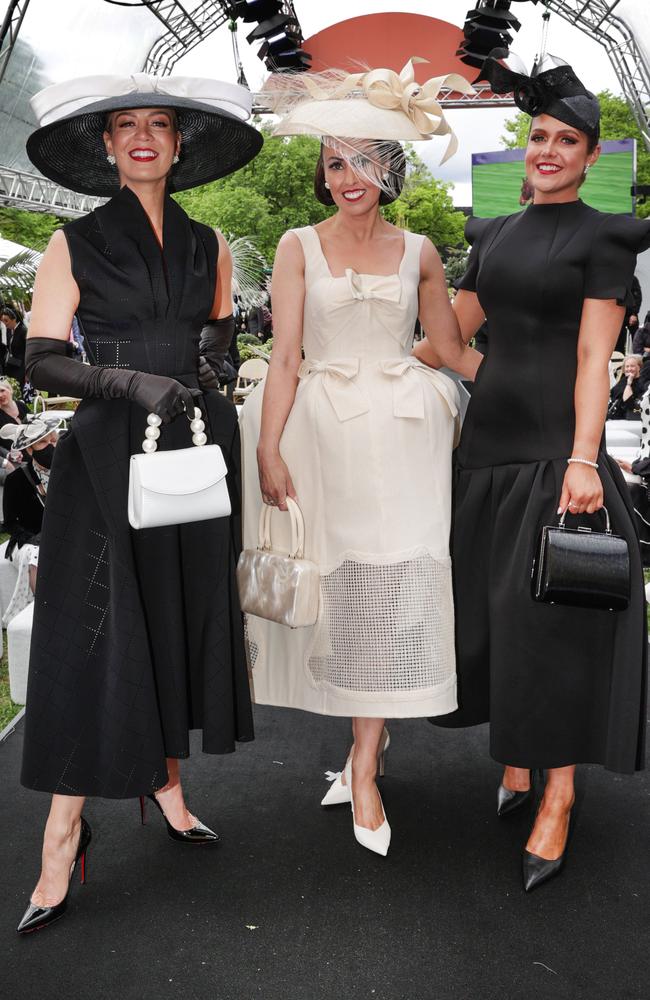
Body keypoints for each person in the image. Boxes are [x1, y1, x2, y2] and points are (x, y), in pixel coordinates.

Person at [15, 71, 262, 934]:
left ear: (179, 143)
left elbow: (224, 344)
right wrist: (126, 379)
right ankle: (61, 837)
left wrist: (210, 370)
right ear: (110, 147)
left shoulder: (212, 243)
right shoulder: (71, 241)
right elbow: (42, 361)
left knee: (174, 618)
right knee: (97, 633)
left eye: (160, 124)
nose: (146, 136)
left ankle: (167, 786)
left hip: (194, 452)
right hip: (107, 458)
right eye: (129, 126)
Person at [418, 54, 648, 892]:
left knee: (549, 627)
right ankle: (518, 760)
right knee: (493, 616)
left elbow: (594, 354)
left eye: (566, 140)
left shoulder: (604, 233)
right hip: (485, 452)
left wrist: (585, 460)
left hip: (559, 453)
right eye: (538, 137)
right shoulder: (496, 232)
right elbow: (450, 341)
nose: (547, 150)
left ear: (592, 156)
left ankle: (558, 794)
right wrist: (404, 274)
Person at [240, 59, 479, 857]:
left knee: (400, 578)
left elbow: (448, 349)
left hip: (409, 432)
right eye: (335, 161)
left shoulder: (422, 252)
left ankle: (367, 764)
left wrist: (545, 386)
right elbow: (283, 357)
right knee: (346, 581)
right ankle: (361, 750)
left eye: (365, 160)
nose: (349, 176)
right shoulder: (296, 243)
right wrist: (270, 447)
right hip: (326, 433)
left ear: (390, 169)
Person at [0, 415, 62, 621]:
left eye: (53, 440)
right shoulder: (15, 479)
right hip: (30, 540)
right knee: (35, 555)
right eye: (44, 442)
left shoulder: (69, 473)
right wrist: (32, 538)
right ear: (29, 450)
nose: (51, 446)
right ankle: (46, 610)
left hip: (65, 534)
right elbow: (9, 522)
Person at [608, 354, 645, 419]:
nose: (629, 369)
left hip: (628, 417)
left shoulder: (642, 382)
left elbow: (628, 403)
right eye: (627, 366)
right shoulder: (624, 380)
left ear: (639, 367)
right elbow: (612, 393)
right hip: (612, 415)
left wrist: (629, 384)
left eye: (632, 366)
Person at [1, 306, 27, 384]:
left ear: (14, 319)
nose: (5, 324)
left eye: (6, 321)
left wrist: (27, 372)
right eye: (3, 321)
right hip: (15, 365)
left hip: (23, 368)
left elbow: (27, 351)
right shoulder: (11, 331)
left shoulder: (23, 330)